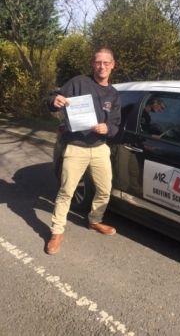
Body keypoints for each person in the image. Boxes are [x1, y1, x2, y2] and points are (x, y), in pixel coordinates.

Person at [46, 47, 121, 254]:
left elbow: (115, 124)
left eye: (106, 63)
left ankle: (95, 221)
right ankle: (56, 231)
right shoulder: (79, 82)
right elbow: (53, 98)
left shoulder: (114, 94)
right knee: (66, 191)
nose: (102, 66)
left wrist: (108, 128)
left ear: (113, 64)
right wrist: (55, 101)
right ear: (92, 63)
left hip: (99, 149)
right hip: (76, 148)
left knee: (105, 190)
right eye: (98, 62)